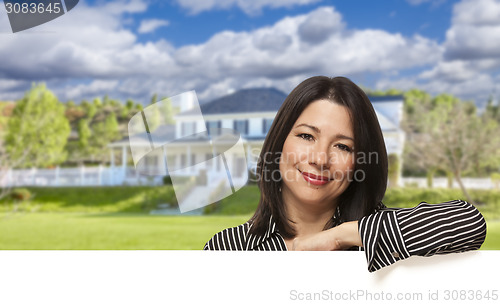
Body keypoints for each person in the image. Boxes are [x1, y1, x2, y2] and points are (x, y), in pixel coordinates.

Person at [203, 76, 487, 272]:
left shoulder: (379, 236)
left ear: (359, 163)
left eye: (342, 146)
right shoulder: (229, 248)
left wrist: (339, 237)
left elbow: (468, 223)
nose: (320, 159)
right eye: (306, 136)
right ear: (278, 144)